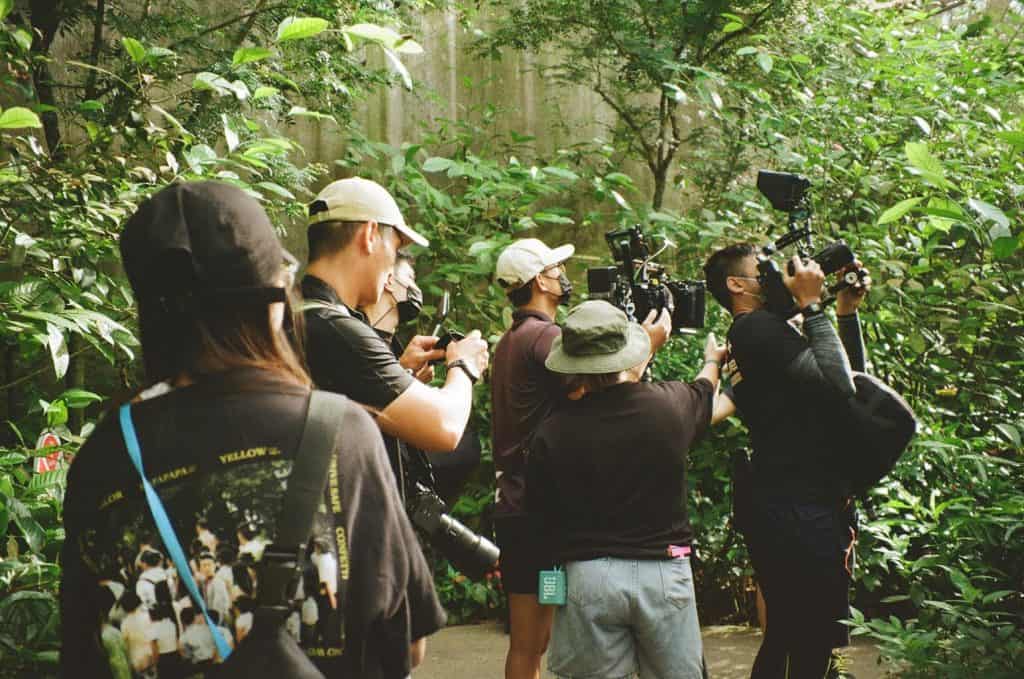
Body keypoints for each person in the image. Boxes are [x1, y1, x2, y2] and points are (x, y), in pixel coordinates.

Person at [59, 181, 446, 679]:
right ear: (274, 298)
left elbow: (83, 653)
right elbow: (407, 647)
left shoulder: (105, 455)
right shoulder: (339, 432)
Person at [525, 300, 723, 679]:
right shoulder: (669, 405)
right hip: (665, 570)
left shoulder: (552, 431)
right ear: (626, 355)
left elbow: (540, 515)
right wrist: (712, 359)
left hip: (588, 575)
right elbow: (704, 387)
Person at [702, 244, 871, 679]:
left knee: (794, 637)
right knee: (810, 643)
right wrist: (812, 304)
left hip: (800, 502)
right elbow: (841, 386)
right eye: (765, 271)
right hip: (800, 509)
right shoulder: (756, 329)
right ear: (737, 285)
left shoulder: (766, 330)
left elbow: (854, 381)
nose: (778, 275)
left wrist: (845, 314)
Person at [301, 176, 490, 458]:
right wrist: (464, 366)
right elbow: (444, 426)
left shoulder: (296, 311)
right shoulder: (337, 331)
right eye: (396, 248)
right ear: (370, 236)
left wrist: (399, 373)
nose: (393, 265)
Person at [489, 237, 575, 679]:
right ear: (541, 278)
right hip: (542, 517)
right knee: (536, 641)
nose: (564, 275)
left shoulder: (511, 340)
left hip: (519, 512)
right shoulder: (546, 336)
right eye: (557, 268)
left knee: (532, 640)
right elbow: (591, 389)